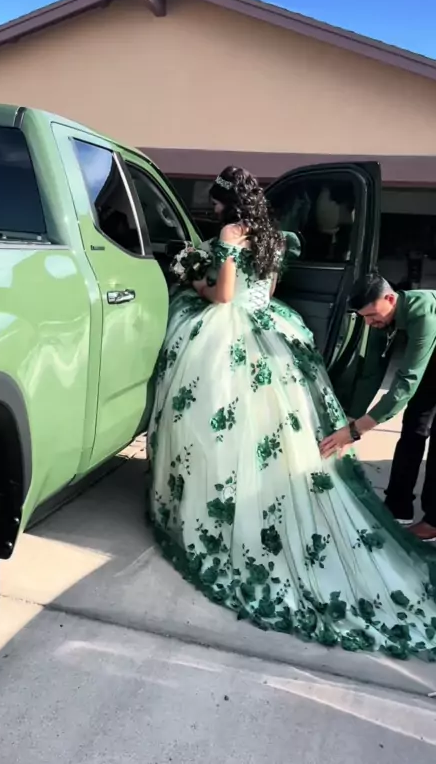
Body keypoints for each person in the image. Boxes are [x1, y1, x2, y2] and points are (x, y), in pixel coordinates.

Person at [148, 168, 436, 660]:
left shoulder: (230, 233)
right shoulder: (276, 238)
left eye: (216, 201)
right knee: (274, 424)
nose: (213, 209)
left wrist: (194, 279)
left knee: (214, 417)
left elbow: (224, 295)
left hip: (228, 329)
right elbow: (268, 290)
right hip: (271, 325)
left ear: (228, 202)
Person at [320, 273, 436, 542]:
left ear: (390, 298)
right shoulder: (377, 320)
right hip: (429, 363)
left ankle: (433, 521)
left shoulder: (424, 314)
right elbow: (371, 372)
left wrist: (357, 431)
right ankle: (398, 506)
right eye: (364, 317)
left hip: (428, 358)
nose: (369, 322)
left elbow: (406, 382)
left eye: (372, 315)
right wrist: (351, 421)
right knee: (414, 427)